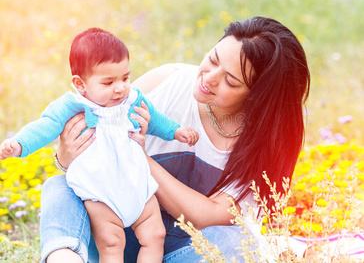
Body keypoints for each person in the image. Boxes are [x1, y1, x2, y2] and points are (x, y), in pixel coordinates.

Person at [39, 16, 310, 262]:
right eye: (213, 59)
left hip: (187, 252)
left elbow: (210, 215)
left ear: (257, 97)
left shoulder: (261, 144)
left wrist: (138, 157)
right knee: (59, 188)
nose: (209, 78)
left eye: (231, 81)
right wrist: (66, 156)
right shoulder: (167, 82)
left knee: (235, 242)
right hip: (112, 239)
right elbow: (87, 152)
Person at [0, 28, 199, 263]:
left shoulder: (132, 98)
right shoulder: (73, 105)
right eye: (108, 82)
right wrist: (19, 144)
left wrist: (176, 131)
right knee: (112, 242)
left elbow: (155, 119)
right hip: (100, 192)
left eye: (125, 78)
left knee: (155, 235)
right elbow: (45, 126)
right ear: (80, 83)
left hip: (137, 184)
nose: (120, 88)